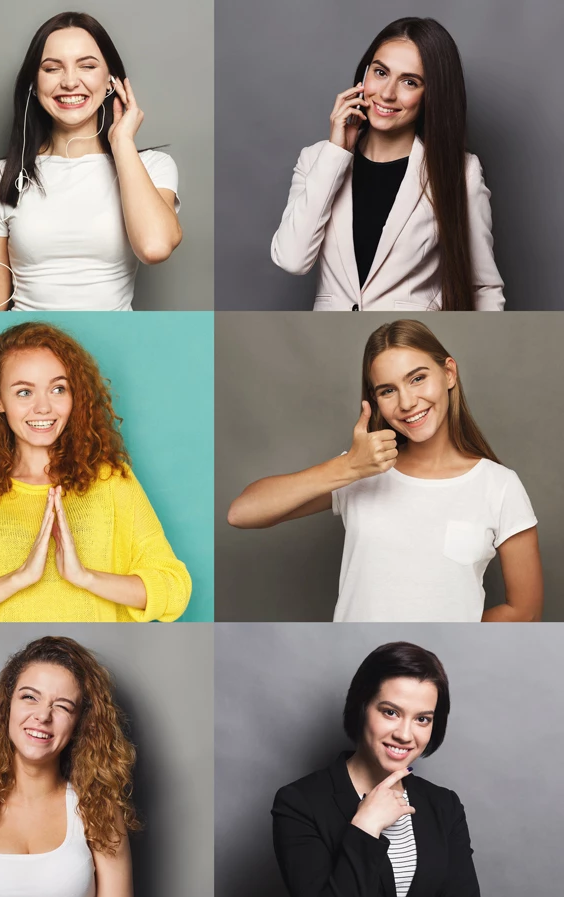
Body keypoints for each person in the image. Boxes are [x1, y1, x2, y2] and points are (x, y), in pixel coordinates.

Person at [227, 319, 541, 622]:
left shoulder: (499, 485)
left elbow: (523, 612)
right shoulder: (359, 470)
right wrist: (348, 466)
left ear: (448, 373)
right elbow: (242, 513)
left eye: (417, 378)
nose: (407, 402)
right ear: (375, 400)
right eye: (387, 390)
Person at [0, 11, 180, 311]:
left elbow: (154, 247)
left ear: (111, 82)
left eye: (87, 66)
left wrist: (122, 142)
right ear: (34, 86)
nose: (70, 81)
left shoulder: (152, 167)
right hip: (28, 340)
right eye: (52, 69)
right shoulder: (0, 178)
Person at [0, 321, 190, 622]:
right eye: (24, 392)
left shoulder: (111, 482)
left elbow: (175, 589)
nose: (44, 407)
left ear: (74, 395)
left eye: (57, 388)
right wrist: (19, 577)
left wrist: (84, 577)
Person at [270, 17, 503, 311]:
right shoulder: (316, 159)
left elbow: (483, 286)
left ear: (432, 93)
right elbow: (292, 259)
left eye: (410, 82)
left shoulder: (460, 172)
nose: (388, 93)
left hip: (412, 335)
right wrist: (336, 153)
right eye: (380, 72)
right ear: (364, 75)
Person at [272, 642, 481, 897]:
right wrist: (366, 826)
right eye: (390, 712)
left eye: (422, 719)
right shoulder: (299, 803)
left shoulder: (445, 805)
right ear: (361, 706)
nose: (405, 734)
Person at [0, 636, 136, 897]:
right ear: (7, 706)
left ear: (80, 723)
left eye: (63, 706)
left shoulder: (99, 811)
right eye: (30, 697)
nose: (43, 716)